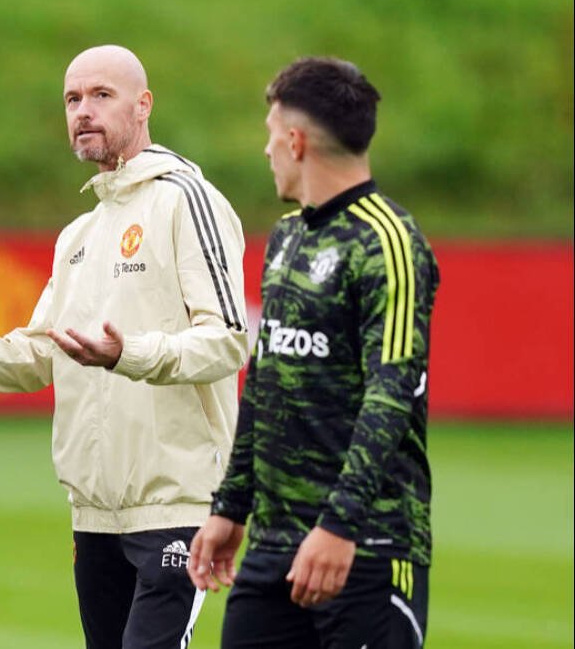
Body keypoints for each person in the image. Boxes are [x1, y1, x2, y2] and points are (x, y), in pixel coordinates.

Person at [0, 45, 249, 649]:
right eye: (73, 99)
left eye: (102, 95)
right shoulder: (79, 234)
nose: (83, 111)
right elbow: (32, 359)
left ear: (144, 104)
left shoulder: (184, 199)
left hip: (176, 506)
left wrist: (129, 354)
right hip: (93, 514)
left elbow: (229, 339)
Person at [188, 57, 439, 648]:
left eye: (272, 135)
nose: (267, 150)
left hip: (364, 549)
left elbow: (391, 396)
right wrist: (232, 506)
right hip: (273, 550)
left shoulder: (390, 242)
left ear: (296, 141)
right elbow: (268, 381)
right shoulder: (287, 236)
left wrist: (340, 527)